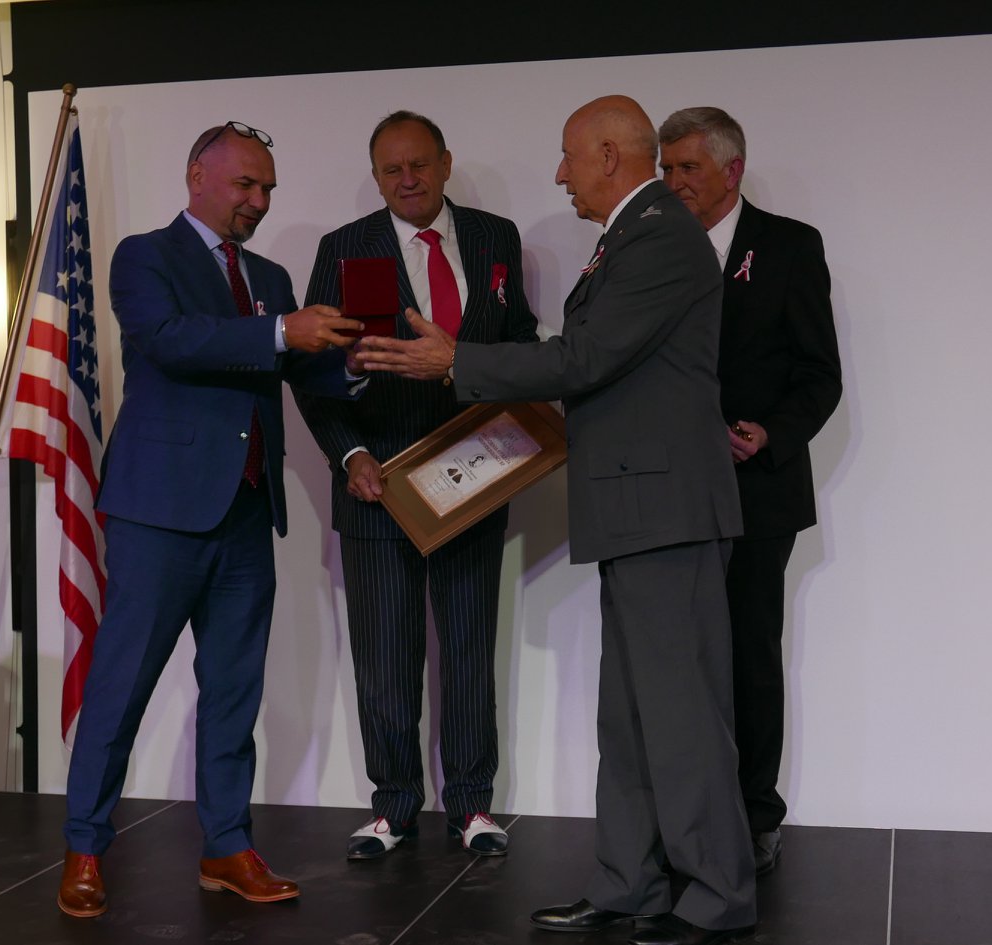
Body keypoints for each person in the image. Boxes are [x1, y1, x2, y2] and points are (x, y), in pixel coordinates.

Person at [357, 95, 755, 945]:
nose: (560, 174)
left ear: (610, 155)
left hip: (665, 512)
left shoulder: (660, 234)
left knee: (682, 718)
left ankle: (717, 896)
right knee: (632, 719)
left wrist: (457, 359)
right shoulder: (632, 234)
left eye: (570, 157)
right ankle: (629, 883)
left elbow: (585, 356)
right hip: (635, 510)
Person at [57, 121, 366, 918]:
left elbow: (299, 368)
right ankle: (85, 846)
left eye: (268, 190)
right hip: (159, 513)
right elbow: (170, 341)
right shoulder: (144, 256)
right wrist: (281, 330)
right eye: (245, 185)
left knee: (233, 692)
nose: (258, 201)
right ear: (199, 175)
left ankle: (227, 845)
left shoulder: (269, 274)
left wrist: (356, 360)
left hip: (246, 514)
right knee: (121, 685)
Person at [295, 110, 539, 860]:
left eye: (420, 165)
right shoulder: (343, 249)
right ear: (376, 178)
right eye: (392, 170)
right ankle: (393, 807)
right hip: (378, 484)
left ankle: (472, 805)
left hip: (472, 478)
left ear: (446, 162)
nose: (408, 180)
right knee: (385, 659)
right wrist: (350, 453)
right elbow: (311, 371)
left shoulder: (496, 238)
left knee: (468, 649)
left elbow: (520, 342)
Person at [658, 107, 842, 874]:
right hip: (670, 490)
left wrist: (769, 432)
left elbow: (820, 375)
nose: (673, 183)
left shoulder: (791, 246)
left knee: (749, 657)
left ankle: (755, 813)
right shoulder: (653, 246)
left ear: (731, 170)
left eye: (688, 168)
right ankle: (687, 817)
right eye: (667, 169)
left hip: (756, 490)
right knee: (679, 663)